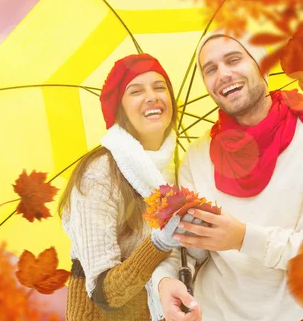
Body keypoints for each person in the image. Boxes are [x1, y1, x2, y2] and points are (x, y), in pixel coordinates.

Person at [149, 30, 303, 321]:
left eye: (233, 59)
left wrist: (244, 239)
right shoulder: (197, 158)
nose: (223, 74)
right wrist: (164, 281)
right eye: (210, 69)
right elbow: (185, 248)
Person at [58, 53, 201, 320]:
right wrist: (158, 243)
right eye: (136, 91)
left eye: (160, 87)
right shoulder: (100, 172)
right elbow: (105, 293)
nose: (152, 96)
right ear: (119, 108)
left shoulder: (182, 168)